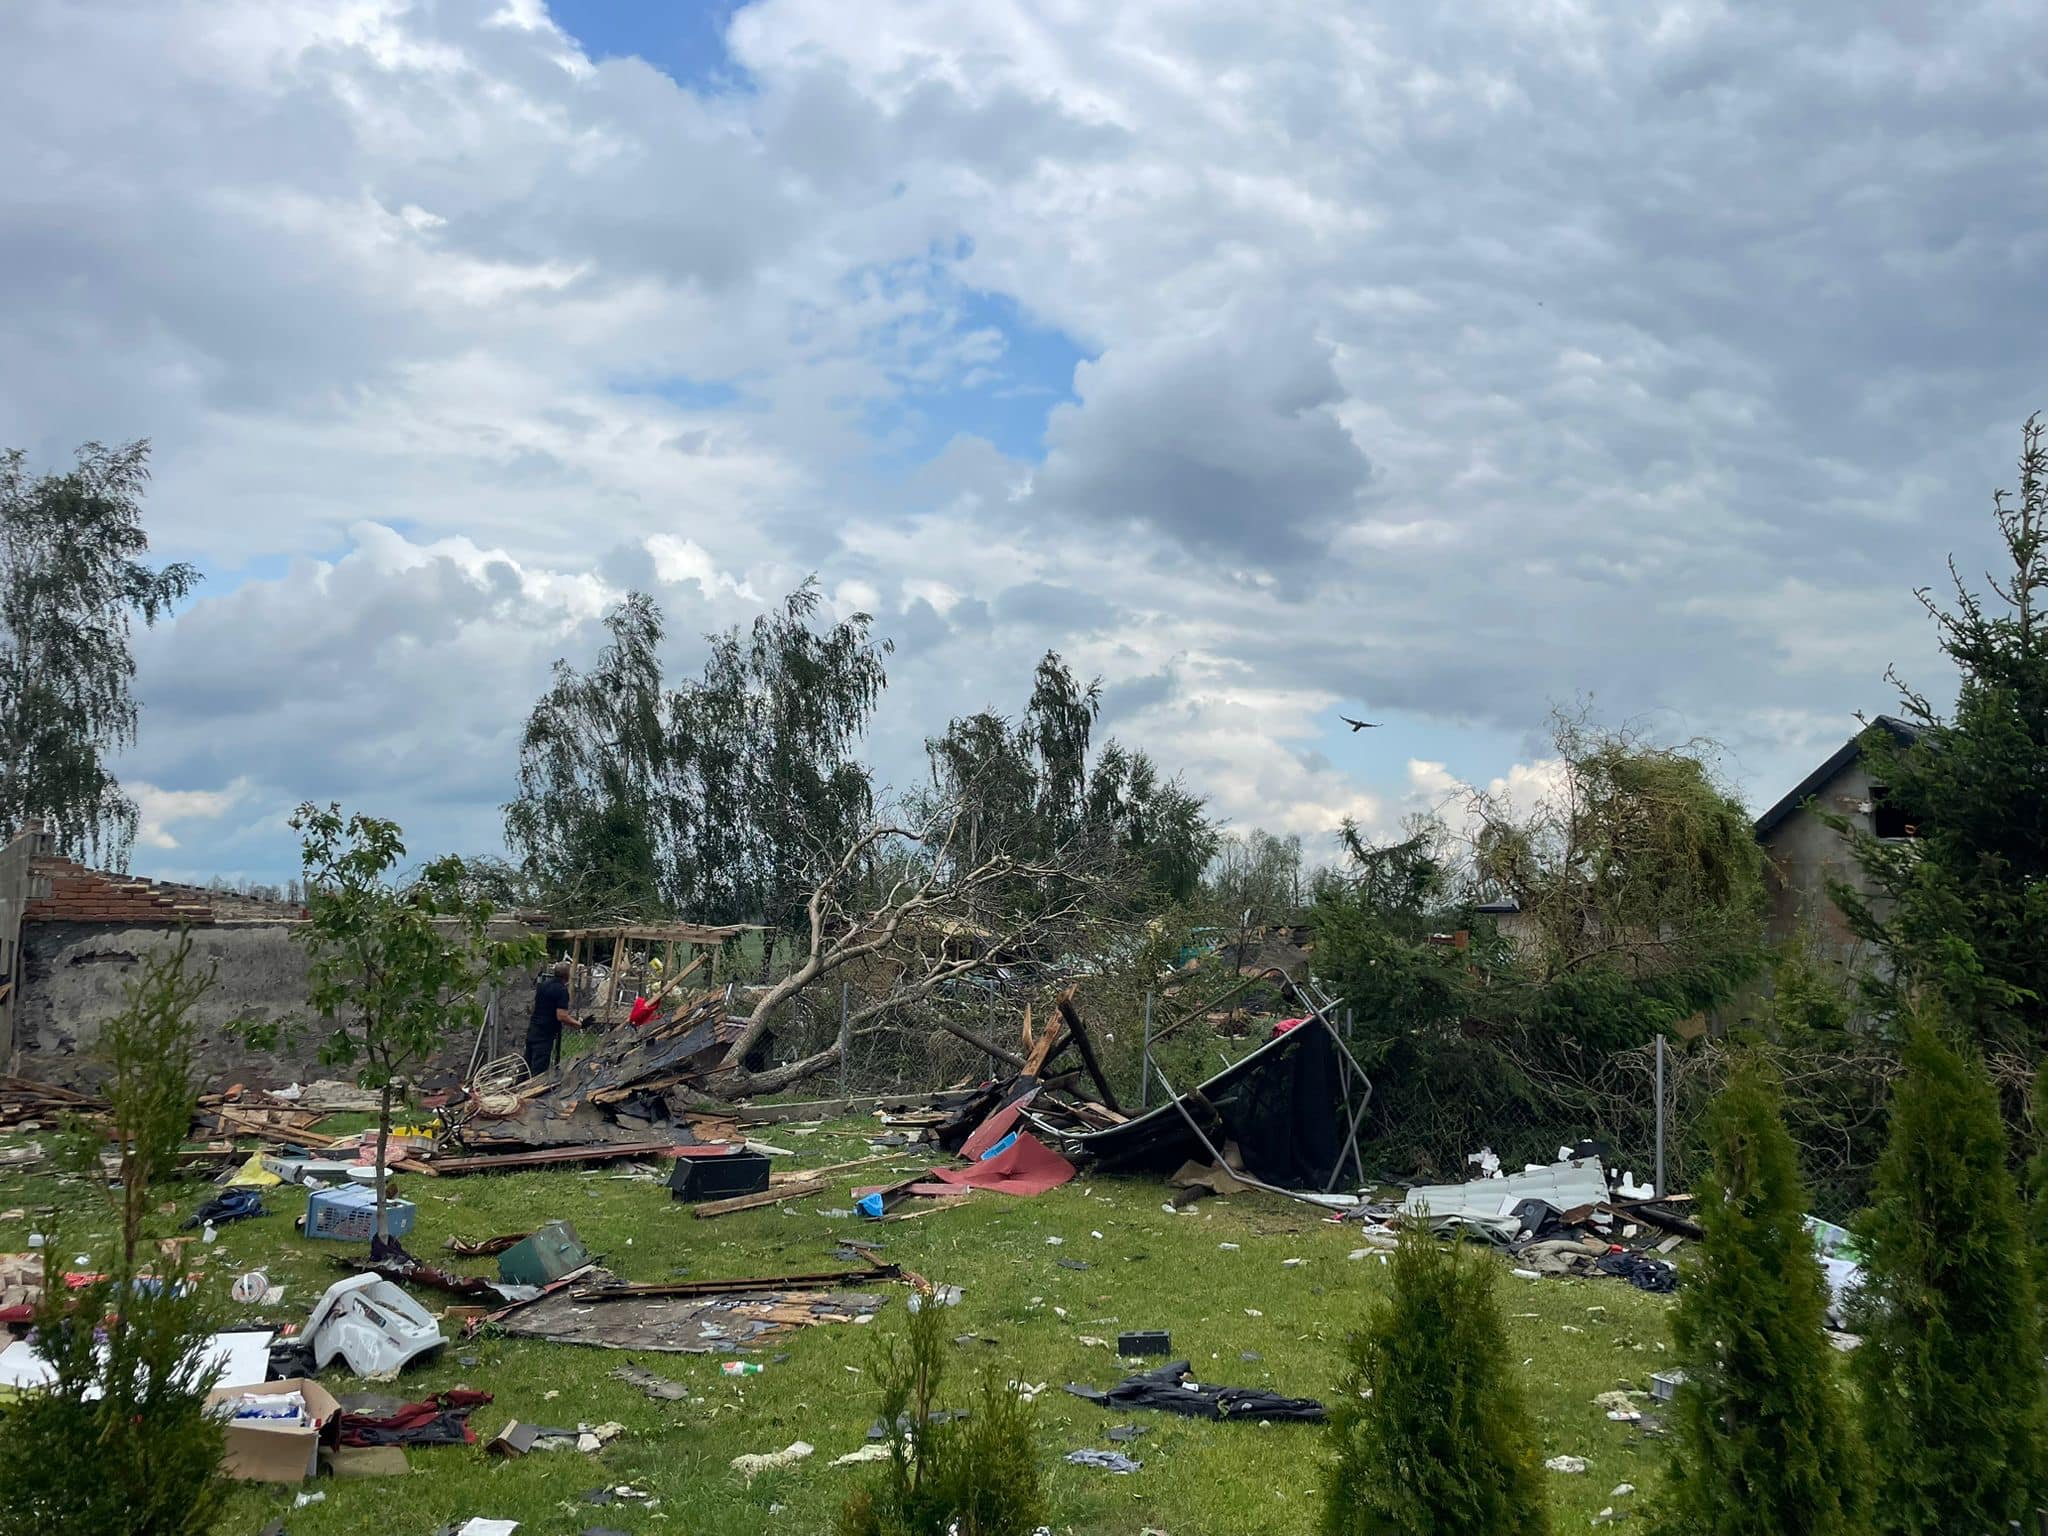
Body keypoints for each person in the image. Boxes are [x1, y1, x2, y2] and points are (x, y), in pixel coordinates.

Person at [524, 960, 577, 1077]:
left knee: (527, 1065)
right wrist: (577, 1024)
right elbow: (561, 1016)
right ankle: (532, 1092)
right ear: (567, 976)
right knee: (539, 1070)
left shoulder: (543, 986)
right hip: (545, 1034)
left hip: (533, 1029)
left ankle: (520, 1087)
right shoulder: (561, 990)